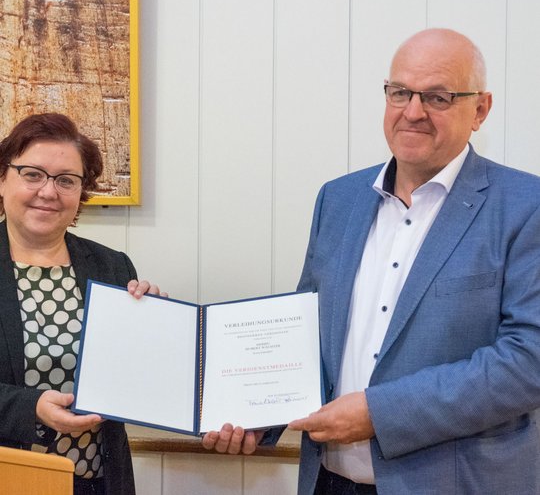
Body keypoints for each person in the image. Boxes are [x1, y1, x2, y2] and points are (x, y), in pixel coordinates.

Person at [202, 29, 540, 494]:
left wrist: (380, 413)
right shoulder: (338, 199)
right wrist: (260, 414)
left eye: (437, 97)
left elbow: (528, 361)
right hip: (328, 480)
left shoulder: (527, 206)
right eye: (400, 92)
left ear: (480, 109)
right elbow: (304, 335)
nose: (413, 112)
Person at [0, 113, 165, 495]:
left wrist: (156, 330)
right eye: (32, 174)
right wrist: (32, 408)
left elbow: (132, 379)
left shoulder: (112, 266)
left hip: (99, 482)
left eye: (66, 180)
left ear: (81, 193)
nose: (49, 191)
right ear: (3, 178)